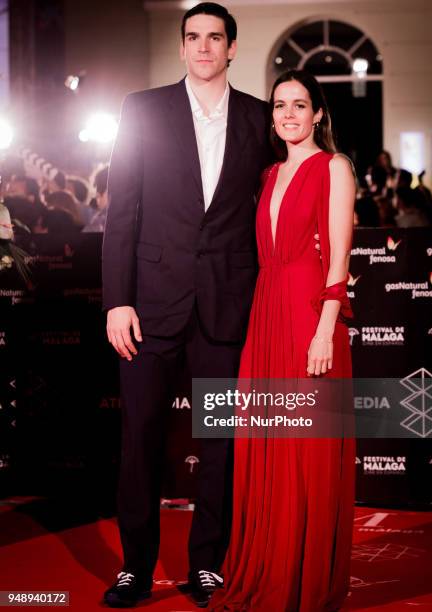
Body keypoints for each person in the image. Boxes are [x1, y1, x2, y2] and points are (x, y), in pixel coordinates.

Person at [101, 3, 271, 608]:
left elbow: (276, 199)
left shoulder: (258, 117)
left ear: (231, 49)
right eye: (193, 37)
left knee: (220, 441)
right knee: (140, 437)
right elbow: (121, 212)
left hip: (227, 305)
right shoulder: (141, 109)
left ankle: (207, 564)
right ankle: (135, 568)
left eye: (215, 38)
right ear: (181, 48)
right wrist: (117, 301)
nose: (203, 47)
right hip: (148, 306)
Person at [211, 70, 356, 611]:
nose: (288, 114)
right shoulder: (269, 174)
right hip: (266, 313)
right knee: (269, 446)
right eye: (279, 106)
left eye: (300, 105)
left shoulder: (334, 168)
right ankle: (269, 564)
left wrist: (324, 329)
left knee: (306, 453)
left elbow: (339, 256)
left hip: (308, 315)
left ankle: (304, 581)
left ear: (318, 113)